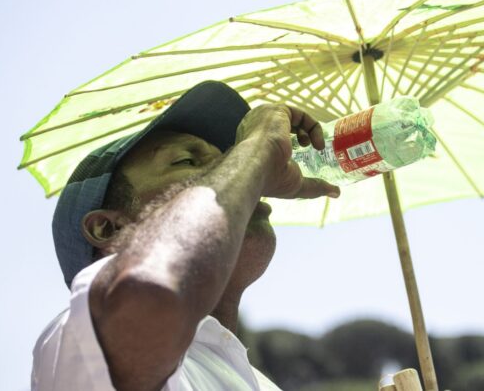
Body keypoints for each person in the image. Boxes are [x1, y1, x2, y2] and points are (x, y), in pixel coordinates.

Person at [31, 81, 341, 391]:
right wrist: (261, 143)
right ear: (110, 229)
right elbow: (152, 287)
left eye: (231, 159)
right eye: (187, 161)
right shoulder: (77, 337)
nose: (235, 172)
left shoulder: (260, 384)